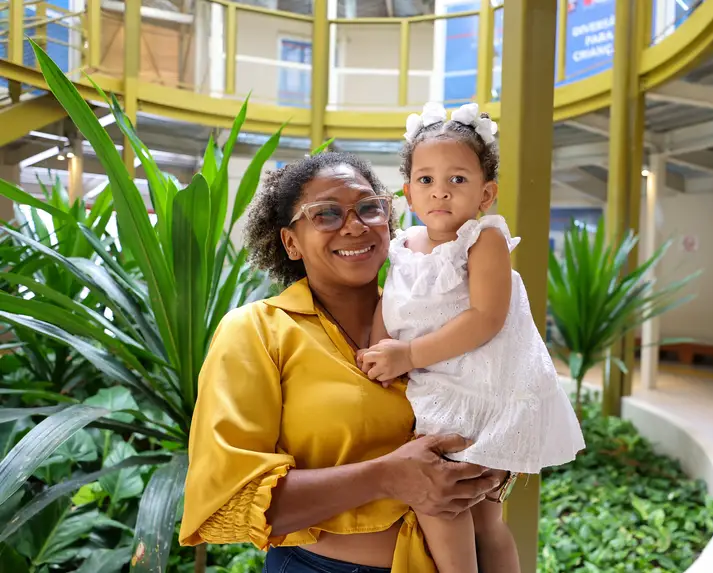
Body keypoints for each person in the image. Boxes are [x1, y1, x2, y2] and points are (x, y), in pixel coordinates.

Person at [178, 152, 506, 573]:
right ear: (291, 243)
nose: (354, 226)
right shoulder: (257, 331)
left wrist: (493, 468)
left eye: (369, 208)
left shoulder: (444, 321)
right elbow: (229, 498)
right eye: (326, 214)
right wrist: (386, 477)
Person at [357, 102, 586, 573]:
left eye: (457, 179)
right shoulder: (402, 248)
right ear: (408, 193)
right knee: (476, 513)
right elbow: (392, 306)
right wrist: (378, 352)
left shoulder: (483, 241)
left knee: (445, 503)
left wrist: (409, 354)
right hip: (429, 384)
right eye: (426, 179)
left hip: (475, 390)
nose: (440, 191)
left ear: (486, 193)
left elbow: (486, 317)